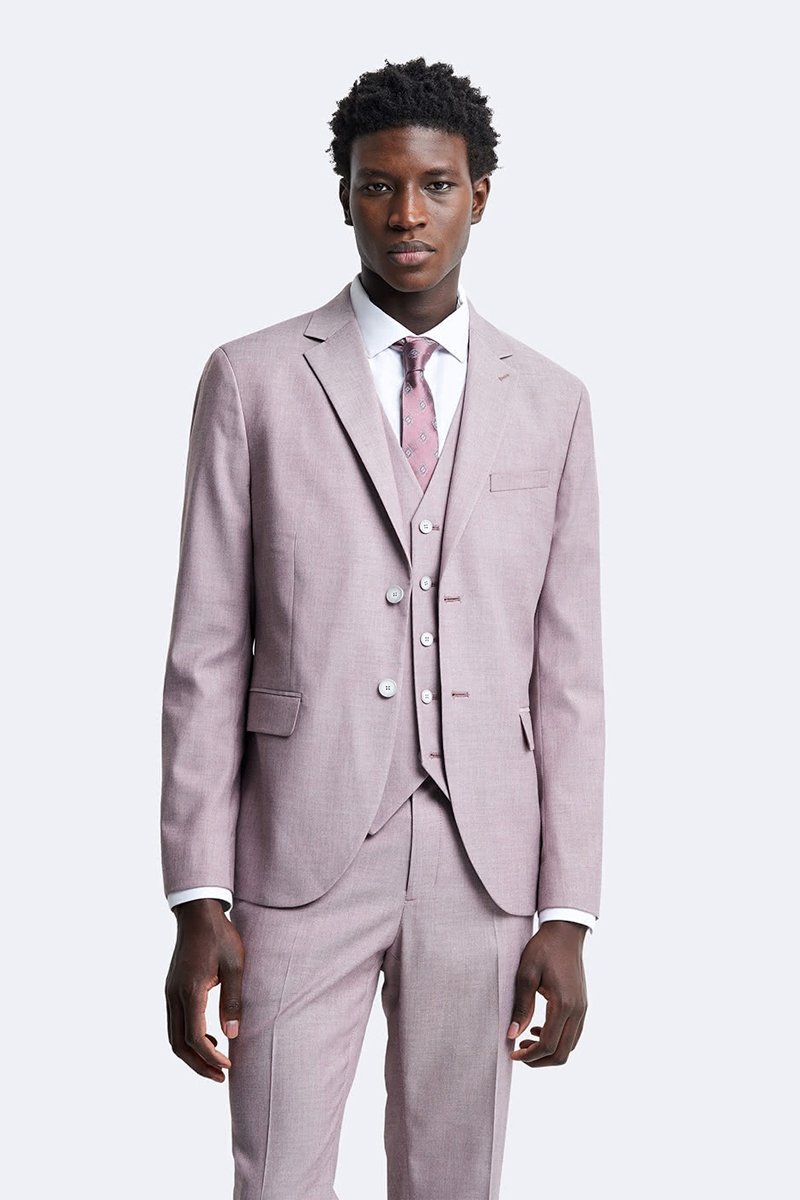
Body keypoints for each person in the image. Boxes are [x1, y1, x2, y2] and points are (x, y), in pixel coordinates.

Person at [161, 57, 605, 1200]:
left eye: (435, 186)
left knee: (453, 1181)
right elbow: (204, 654)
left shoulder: (551, 402)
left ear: (479, 194)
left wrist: (565, 910)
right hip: (295, 856)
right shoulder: (251, 380)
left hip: (482, 863)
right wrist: (195, 896)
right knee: (277, 1178)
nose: (406, 214)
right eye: (377, 185)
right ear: (344, 194)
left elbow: (567, 676)